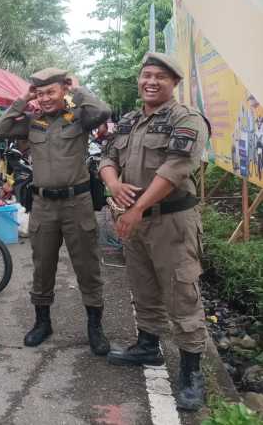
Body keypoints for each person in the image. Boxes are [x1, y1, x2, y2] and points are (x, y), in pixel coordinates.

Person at [99, 52, 210, 412]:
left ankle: (192, 371)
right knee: (143, 287)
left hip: (171, 223)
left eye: (160, 77)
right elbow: (105, 157)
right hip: (135, 221)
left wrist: (137, 208)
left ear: (174, 83)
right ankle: (148, 345)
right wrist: (114, 184)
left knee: (181, 292)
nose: (151, 81)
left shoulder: (186, 119)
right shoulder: (130, 121)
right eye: (146, 75)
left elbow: (176, 169)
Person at [0, 68, 111, 356]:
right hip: (44, 204)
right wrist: (23, 98)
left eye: (51, 91)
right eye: (40, 92)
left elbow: (103, 110)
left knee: (87, 266)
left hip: (77, 202)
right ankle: (42, 322)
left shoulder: (80, 118)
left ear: (64, 91)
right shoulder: (33, 123)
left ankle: (95, 327)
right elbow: (2, 128)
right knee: (42, 265)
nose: (45, 98)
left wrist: (77, 89)